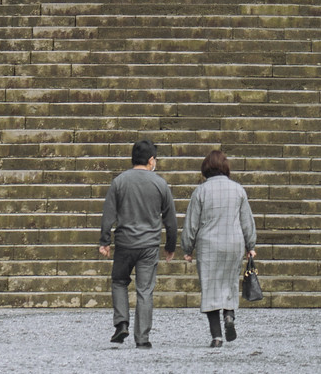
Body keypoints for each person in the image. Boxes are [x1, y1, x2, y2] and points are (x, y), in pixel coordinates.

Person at [98, 138, 177, 349]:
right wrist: (170, 246)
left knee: (119, 282)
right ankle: (142, 338)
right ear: (151, 160)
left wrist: (105, 240)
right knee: (145, 290)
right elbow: (170, 219)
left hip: (125, 242)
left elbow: (108, 213)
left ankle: (121, 322)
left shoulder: (120, 181)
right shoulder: (160, 183)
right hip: (149, 246)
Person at [182, 148, 258, 349]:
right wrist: (251, 245)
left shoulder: (200, 191)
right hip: (233, 243)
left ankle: (216, 336)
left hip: (209, 245)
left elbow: (192, 223)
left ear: (206, 169)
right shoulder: (238, 190)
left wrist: (187, 248)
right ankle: (229, 315)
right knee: (230, 283)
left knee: (210, 288)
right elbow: (247, 222)